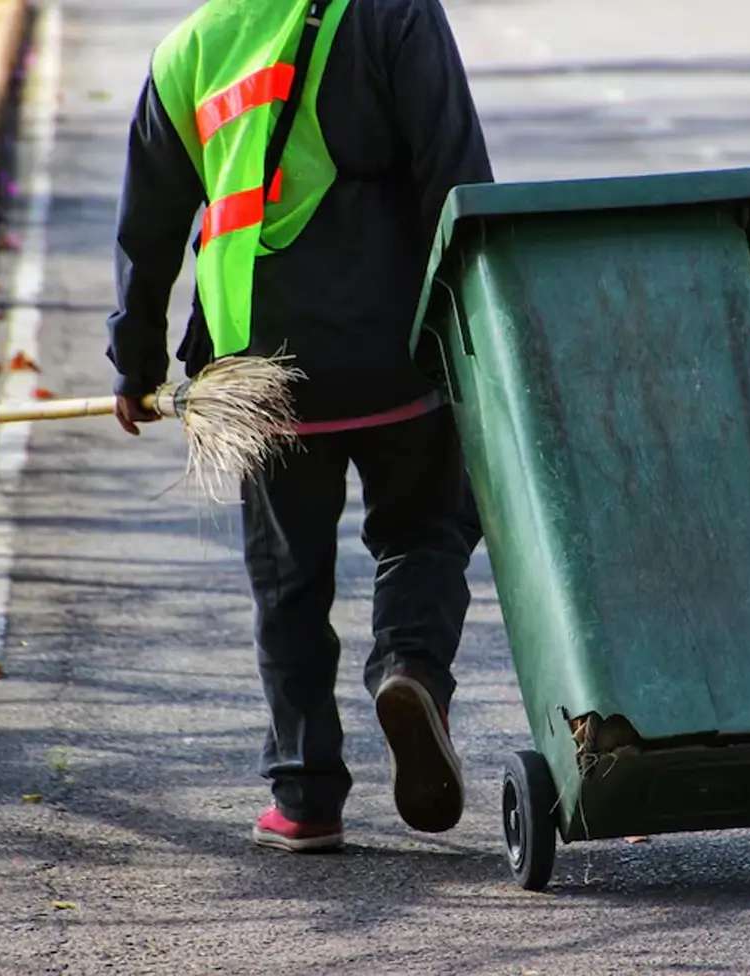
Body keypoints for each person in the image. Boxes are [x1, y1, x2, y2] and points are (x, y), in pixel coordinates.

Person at [105, 0, 493, 852]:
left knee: (288, 582)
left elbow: (150, 228)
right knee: (428, 528)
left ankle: (305, 796)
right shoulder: (396, 15)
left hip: (259, 376)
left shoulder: (191, 48)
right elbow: (457, 181)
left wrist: (135, 365)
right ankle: (408, 669)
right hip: (401, 358)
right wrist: (481, 333)